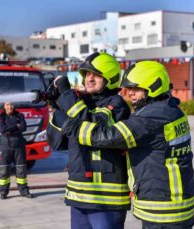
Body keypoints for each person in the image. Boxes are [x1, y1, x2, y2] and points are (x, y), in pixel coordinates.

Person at [61, 61, 194, 229]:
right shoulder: (171, 110)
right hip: (176, 203)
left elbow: (106, 136)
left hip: (164, 209)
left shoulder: (152, 117)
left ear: (153, 87)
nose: (130, 93)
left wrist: (72, 125)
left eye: (136, 89)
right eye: (129, 88)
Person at [47, 52, 131, 229]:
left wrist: (65, 95)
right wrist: (58, 107)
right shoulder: (80, 103)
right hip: (78, 195)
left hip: (106, 199)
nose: (89, 79)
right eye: (87, 74)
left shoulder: (116, 104)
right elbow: (57, 142)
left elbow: (92, 128)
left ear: (110, 78)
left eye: (96, 75)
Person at [0, 102, 33, 199]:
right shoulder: (1, 116)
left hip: (19, 146)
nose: (10, 107)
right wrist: (16, 126)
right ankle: (3, 192)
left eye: (12, 105)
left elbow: (23, 128)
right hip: (5, 146)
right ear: (4, 106)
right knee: (4, 170)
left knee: (21, 170)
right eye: (8, 105)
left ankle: (24, 191)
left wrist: (11, 129)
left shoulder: (19, 115)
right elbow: (3, 129)